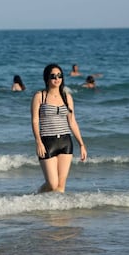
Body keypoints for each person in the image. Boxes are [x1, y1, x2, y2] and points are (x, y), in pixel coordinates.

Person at [31, 63, 87, 193]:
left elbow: (72, 121)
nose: (57, 78)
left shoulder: (67, 97)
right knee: (52, 184)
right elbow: (34, 120)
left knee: (60, 186)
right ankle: (35, 198)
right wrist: (38, 141)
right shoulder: (40, 96)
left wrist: (81, 144)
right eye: (53, 76)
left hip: (65, 142)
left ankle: (56, 213)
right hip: (47, 142)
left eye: (59, 75)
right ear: (47, 78)